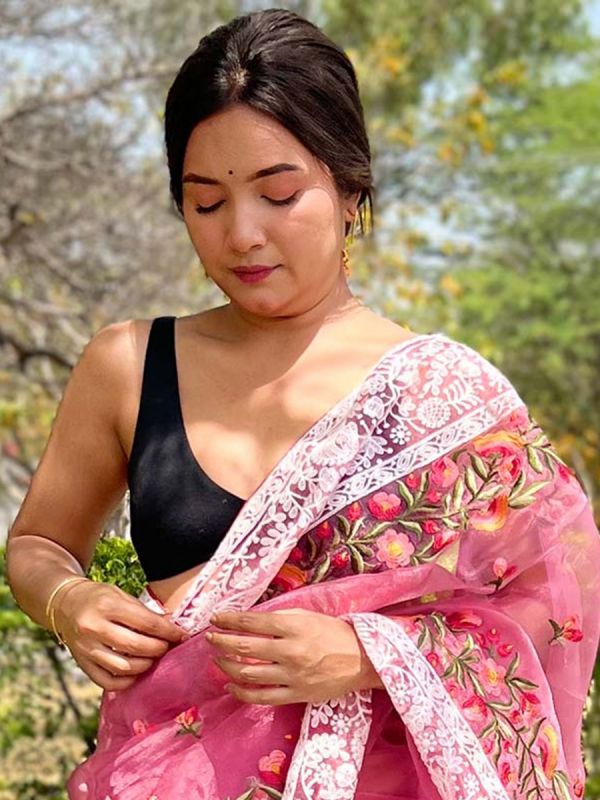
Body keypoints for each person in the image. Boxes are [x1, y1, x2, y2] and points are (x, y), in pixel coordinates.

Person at [5, 8, 600, 800]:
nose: (243, 234)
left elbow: (543, 606)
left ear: (350, 187)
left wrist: (363, 655)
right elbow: (40, 541)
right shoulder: (128, 364)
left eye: (278, 194)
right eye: (207, 204)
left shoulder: (442, 398)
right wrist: (69, 600)